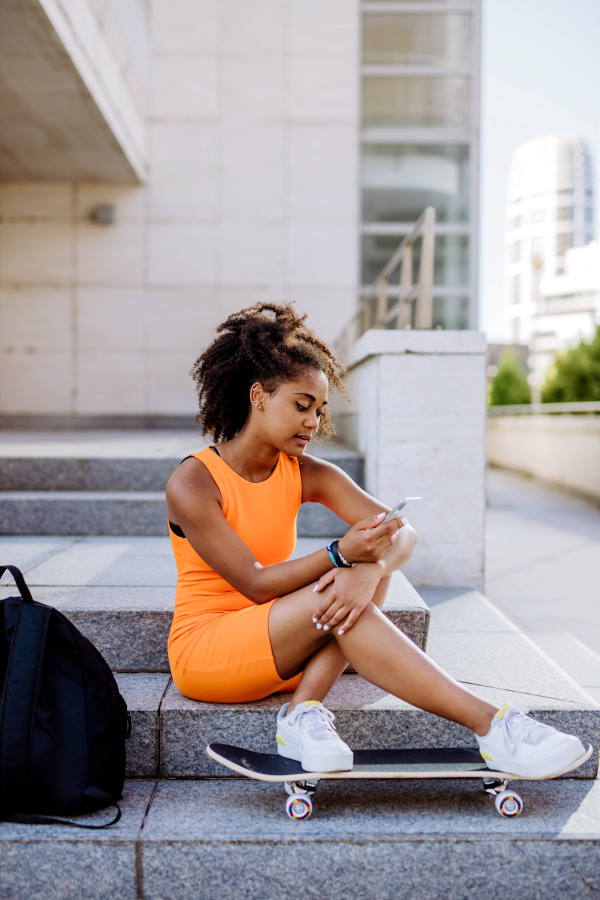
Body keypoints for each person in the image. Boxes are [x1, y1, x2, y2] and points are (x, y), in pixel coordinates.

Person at [166, 302, 587, 778]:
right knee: (345, 582)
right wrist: (341, 556)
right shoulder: (194, 482)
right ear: (258, 396)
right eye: (301, 405)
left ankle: (302, 714)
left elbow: (402, 532)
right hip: (209, 650)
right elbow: (256, 584)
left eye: (319, 410)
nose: (313, 422)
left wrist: (369, 571)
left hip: (277, 635)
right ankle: (491, 726)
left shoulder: (305, 472)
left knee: (361, 580)